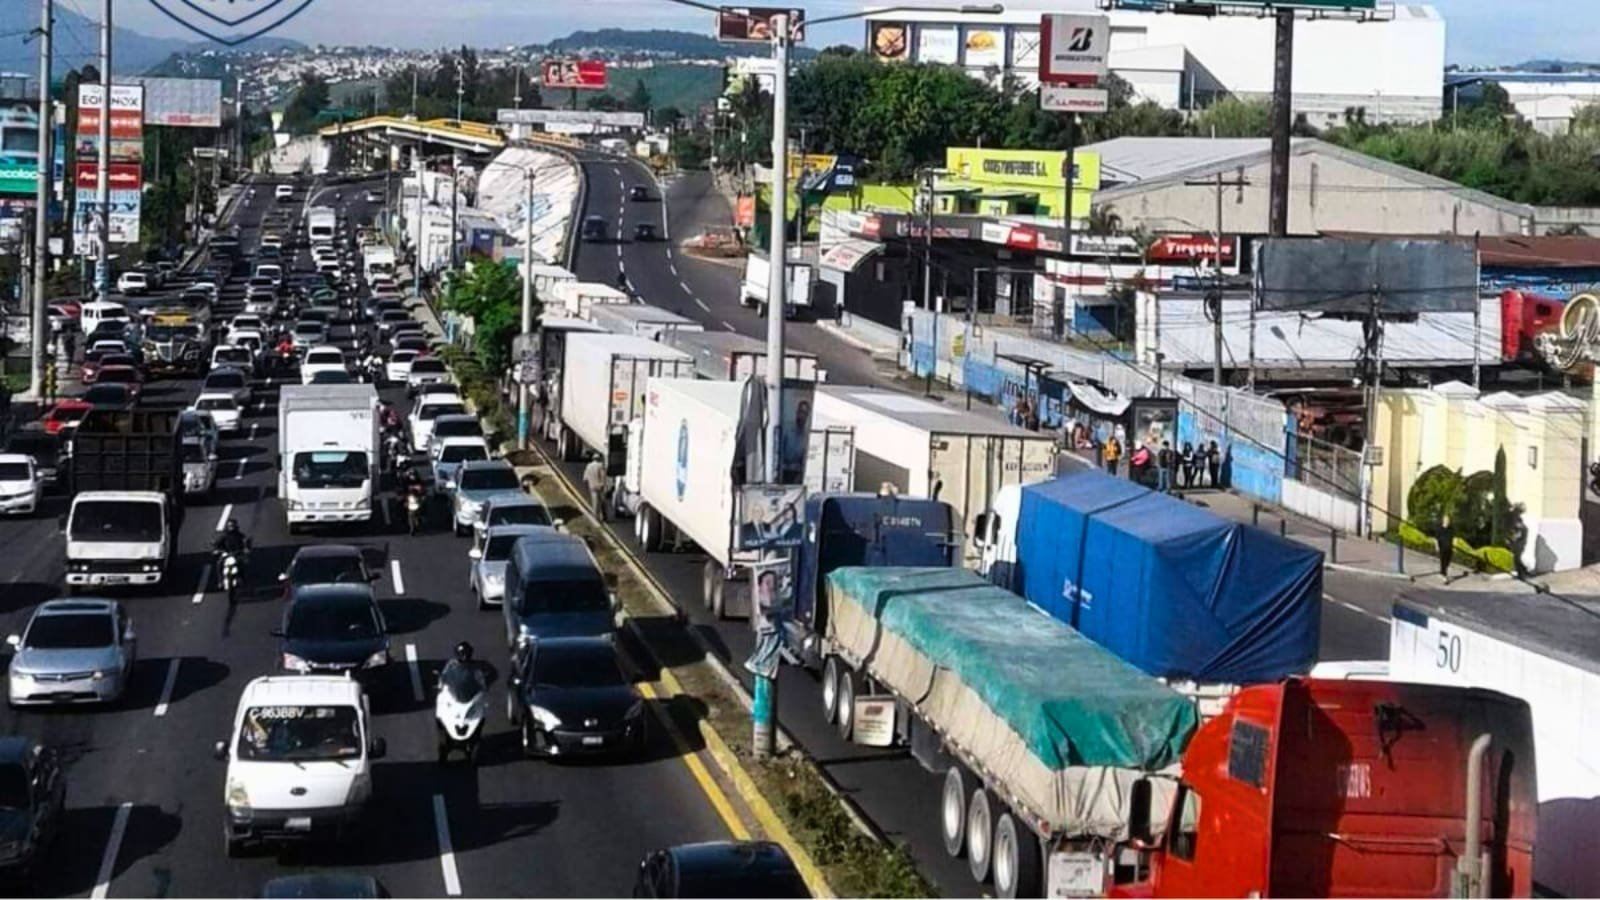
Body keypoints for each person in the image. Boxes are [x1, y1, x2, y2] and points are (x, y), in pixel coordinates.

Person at [583, 452, 609, 522]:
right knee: (603, 502)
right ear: (599, 459)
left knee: (595, 502)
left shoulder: (588, 466)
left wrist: (587, 485)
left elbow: (585, 478)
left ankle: (596, 518)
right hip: (600, 486)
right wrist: (605, 485)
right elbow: (603, 476)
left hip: (592, 486)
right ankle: (604, 516)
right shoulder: (600, 466)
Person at [1436, 513, 1455, 579]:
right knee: (1443, 561)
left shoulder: (1451, 529)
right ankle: (1443, 574)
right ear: (1443, 520)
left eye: (1448, 520)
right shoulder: (1439, 529)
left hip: (1449, 548)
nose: (1447, 521)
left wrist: (1454, 546)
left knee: (1447, 561)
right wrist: (1437, 546)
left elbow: (1453, 538)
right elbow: (1436, 539)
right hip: (1442, 547)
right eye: (1446, 520)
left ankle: (1443, 573)